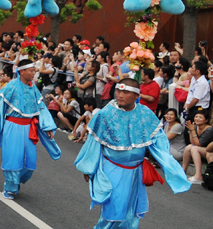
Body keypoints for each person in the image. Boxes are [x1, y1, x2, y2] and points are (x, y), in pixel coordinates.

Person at [74, 79, 190, 228]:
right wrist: (88, 169)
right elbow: (93, 144)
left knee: (131, 212)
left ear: (137, 95)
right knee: (114, 210)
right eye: (118, 91)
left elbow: (159, 139)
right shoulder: (105, 114)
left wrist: (168, 163)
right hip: (113, 169)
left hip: (136, 172)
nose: (120, 95)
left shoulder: (145, 113)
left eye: (126, 92)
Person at [0, 59, 61, 200]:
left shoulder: (33, 87)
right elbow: (1, 108)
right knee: (13, 159)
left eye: (34, 70)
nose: (34, 73)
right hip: (12, 127)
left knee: (30, 162)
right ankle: (10, 187)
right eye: (32, 70)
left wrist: (47, 127)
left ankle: (15, 180)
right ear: (22, 71)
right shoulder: (11, 87)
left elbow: (41, 108)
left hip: (29, 128)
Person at [181, 110, 213, 184]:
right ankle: (183, 171)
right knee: (189, 146)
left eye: (200, 117)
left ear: (206, 120)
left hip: (209, 150)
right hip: (202, 149)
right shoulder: (195, 126)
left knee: (194, 148)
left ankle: (198, 175)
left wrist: (192, 130)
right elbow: (192, 142)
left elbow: (199, 144)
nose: (197, 118)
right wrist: (191, 130)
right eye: (196, 116)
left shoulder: (209, 129)